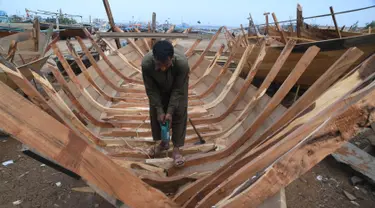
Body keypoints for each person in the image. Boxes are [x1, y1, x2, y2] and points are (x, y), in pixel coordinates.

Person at [141, 40, 189, 167]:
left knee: (179, 111)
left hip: (177, 86)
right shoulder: (147, 64)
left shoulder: (182, 64)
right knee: (157, 113)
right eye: (159, 64)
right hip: (157, 87)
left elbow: (178, 90)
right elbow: (151, 90)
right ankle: (164, 142)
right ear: (154, 58)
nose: (162, 67)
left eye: (165, 64)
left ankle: (177, 150)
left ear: (171, 59)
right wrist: (160, 110)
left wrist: (170, 111)